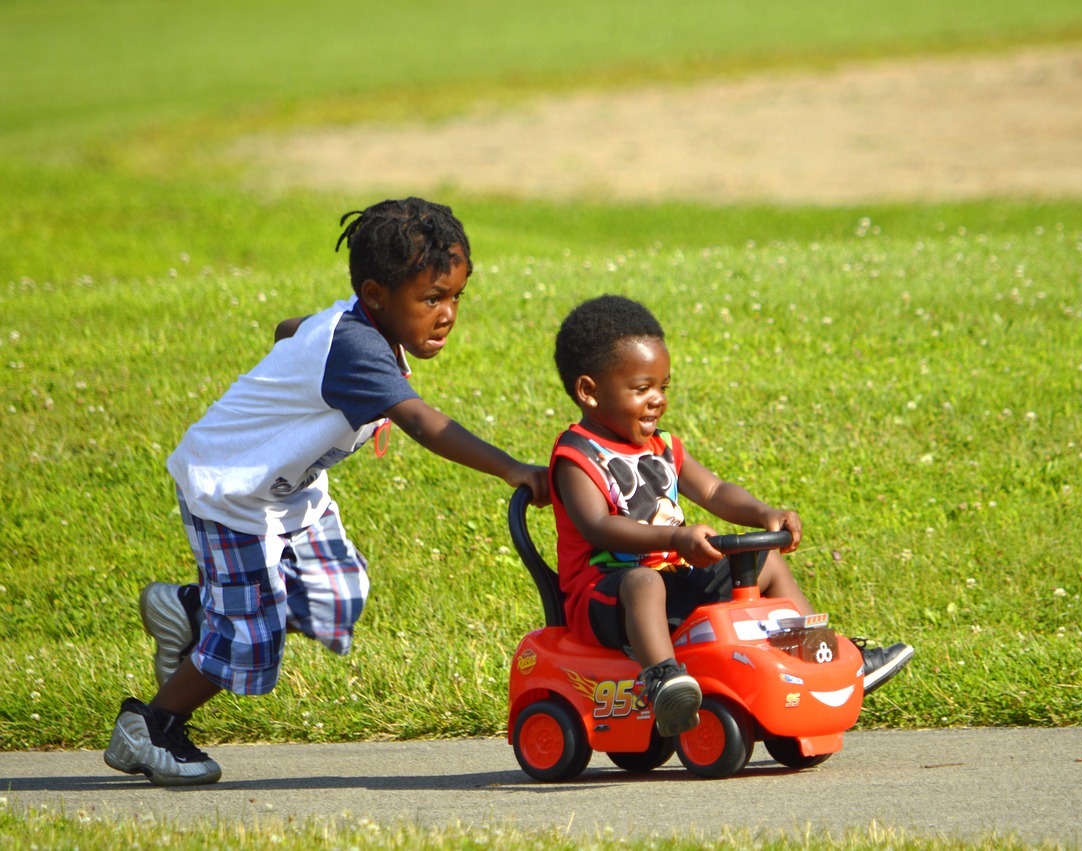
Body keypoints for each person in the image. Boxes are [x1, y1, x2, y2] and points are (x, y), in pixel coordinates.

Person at [104, 198, 549, 786]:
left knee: (336, 595)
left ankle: (192, 611)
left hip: (288, 494)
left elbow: (291, 329)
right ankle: (151, 726)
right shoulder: (359, 348)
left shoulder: (356, 330)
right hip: (232, 491)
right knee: (249, 638)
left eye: (455, 298)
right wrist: (511, 468)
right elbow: (421, 422)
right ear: (375, 295)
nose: (447, 315)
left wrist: (293, 347)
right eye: (431, 299)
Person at [549, 294, 913, 737]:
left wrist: (764, 513)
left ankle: (824, 656)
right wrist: (674, 540)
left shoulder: (662, 446)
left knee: (765, 564)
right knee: (643, 581)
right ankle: (663, 681)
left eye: (664, 387)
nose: (657, 401)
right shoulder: (577, 456)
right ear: (589, 392)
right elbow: (598, 526)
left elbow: (715, 490)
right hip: (604, 598)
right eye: (641, 388)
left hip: (674, 579)